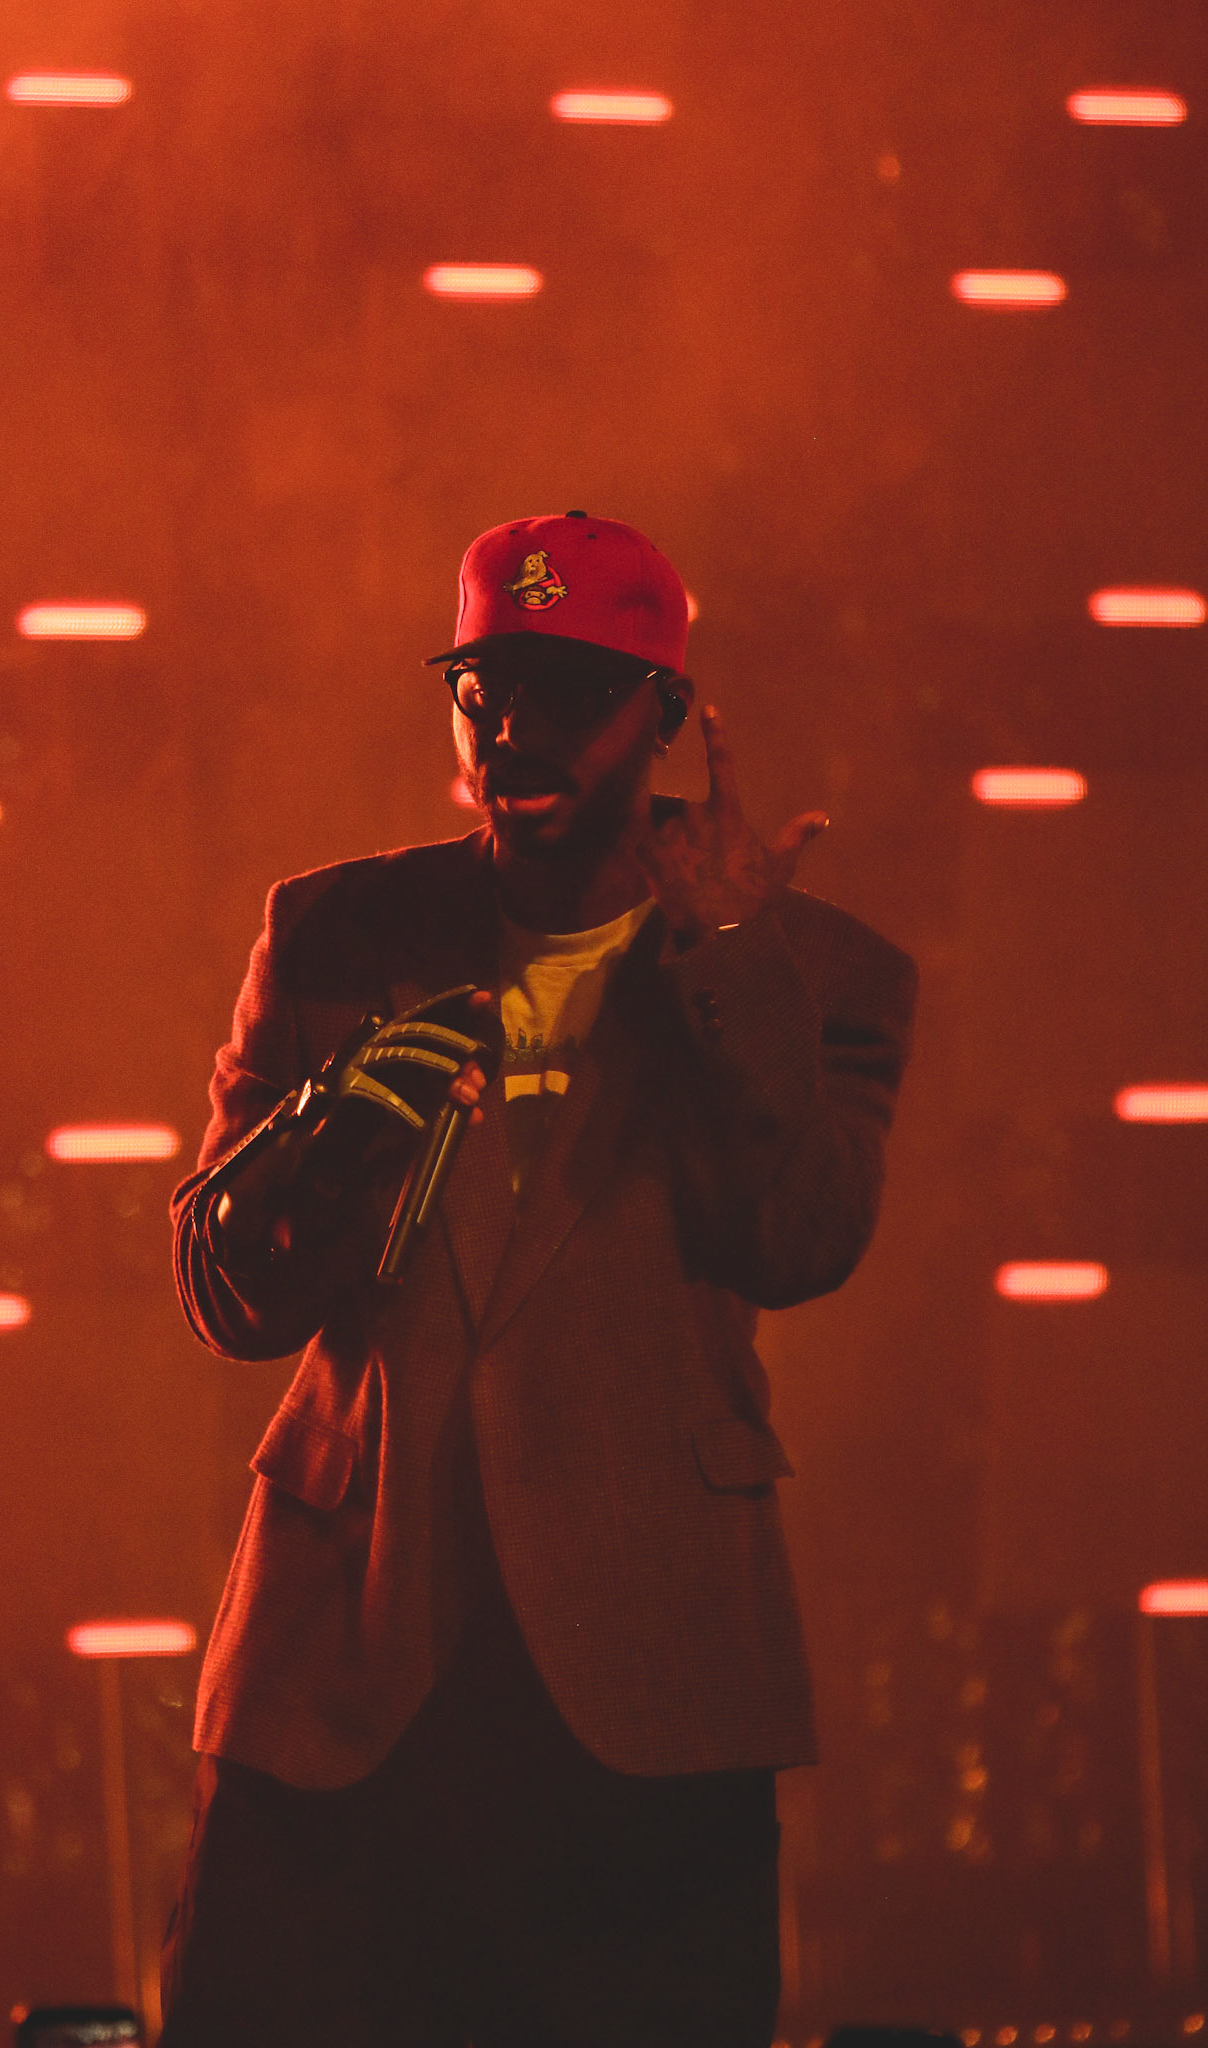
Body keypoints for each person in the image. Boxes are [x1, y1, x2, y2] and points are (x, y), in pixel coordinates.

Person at [161, 511, 917, 2047]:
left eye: (566, 692)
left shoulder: (813, 969)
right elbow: (224, 1297)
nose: (512, 728)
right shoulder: (333, 935)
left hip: (650, 1699)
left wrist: (728, 960)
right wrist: (318, 1138)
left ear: (664, 715)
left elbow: (801, 1239)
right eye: (484, 687)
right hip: (345, 1691)